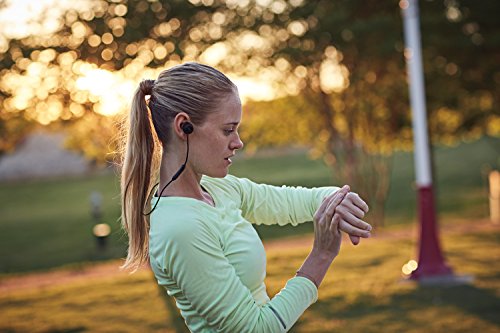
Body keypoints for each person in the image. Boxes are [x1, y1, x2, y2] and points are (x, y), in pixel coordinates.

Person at [120, 62, 371, 332]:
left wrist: (337, 199)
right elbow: (255, 329)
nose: (238, 142)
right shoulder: (183, 229)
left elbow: (289, 203)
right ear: (184, 127)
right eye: (228, 130)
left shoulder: (219, 189)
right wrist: (321, 256)